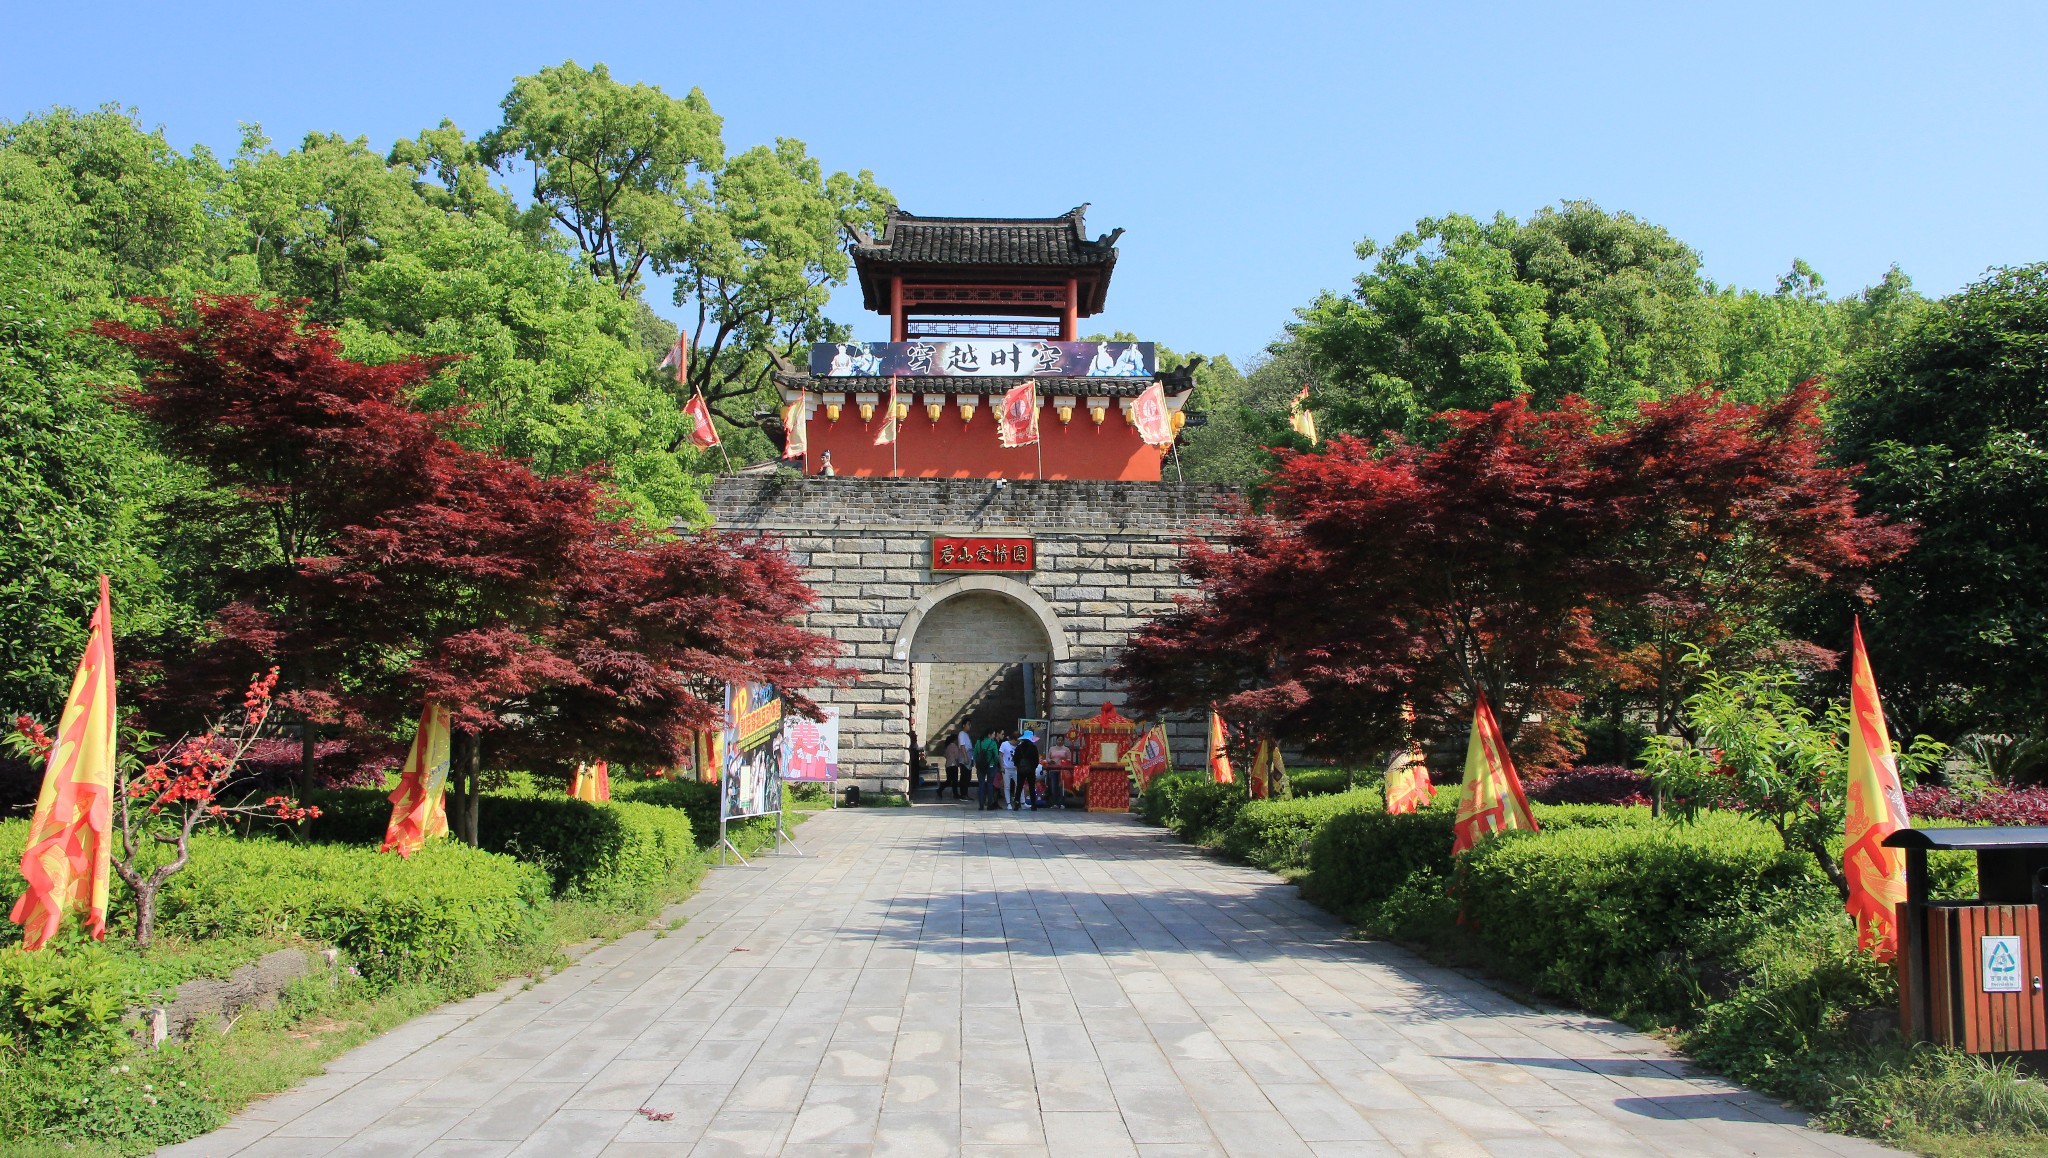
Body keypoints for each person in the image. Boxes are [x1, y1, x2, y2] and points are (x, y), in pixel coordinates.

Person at [975, 728, 1003, 811]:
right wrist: (994, 763)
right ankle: (989, 804)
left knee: (981, 785)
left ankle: (981, 805)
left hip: (980, 767)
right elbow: (996, 756)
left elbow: (975, 754)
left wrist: (977, 763)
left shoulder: (978, 742)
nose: (994, 736)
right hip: (990, 766)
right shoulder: (993, 743)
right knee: (990, 785)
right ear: (989, 735)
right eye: (993, 734)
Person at [1014, 730, 1041, 811]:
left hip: (1021, 769)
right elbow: (1036, 760)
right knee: (1032, 787)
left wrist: (1018, 766)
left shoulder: (1019, 747)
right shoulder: (1033, 748)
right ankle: (1033, 805)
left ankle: (1016, 803)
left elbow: (1015, 759)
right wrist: (1033, 767)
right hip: (1031, 770)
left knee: (1019, 787)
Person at [942, 732, 968, 801]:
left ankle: (942, 790)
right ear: (955, 740)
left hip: (948, 765)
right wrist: (958, 764)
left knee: (949, 780)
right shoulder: (955, 747)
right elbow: (956, 757)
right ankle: (955, 793)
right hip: (953, 765)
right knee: (954, 781)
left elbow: (945, 755)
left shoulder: (947, 747)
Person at [999, 731, 1019, 810]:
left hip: (1015, 768)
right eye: (1017, 741)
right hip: (1006, 768)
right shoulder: (1004, 744)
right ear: (1013, 740)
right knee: (1007, 786)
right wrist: (1002, 766)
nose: (1017, 743)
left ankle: (1022, 801)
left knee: (1019, 785)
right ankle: (1008, 803)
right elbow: (1000, 755)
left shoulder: (1018, 746)